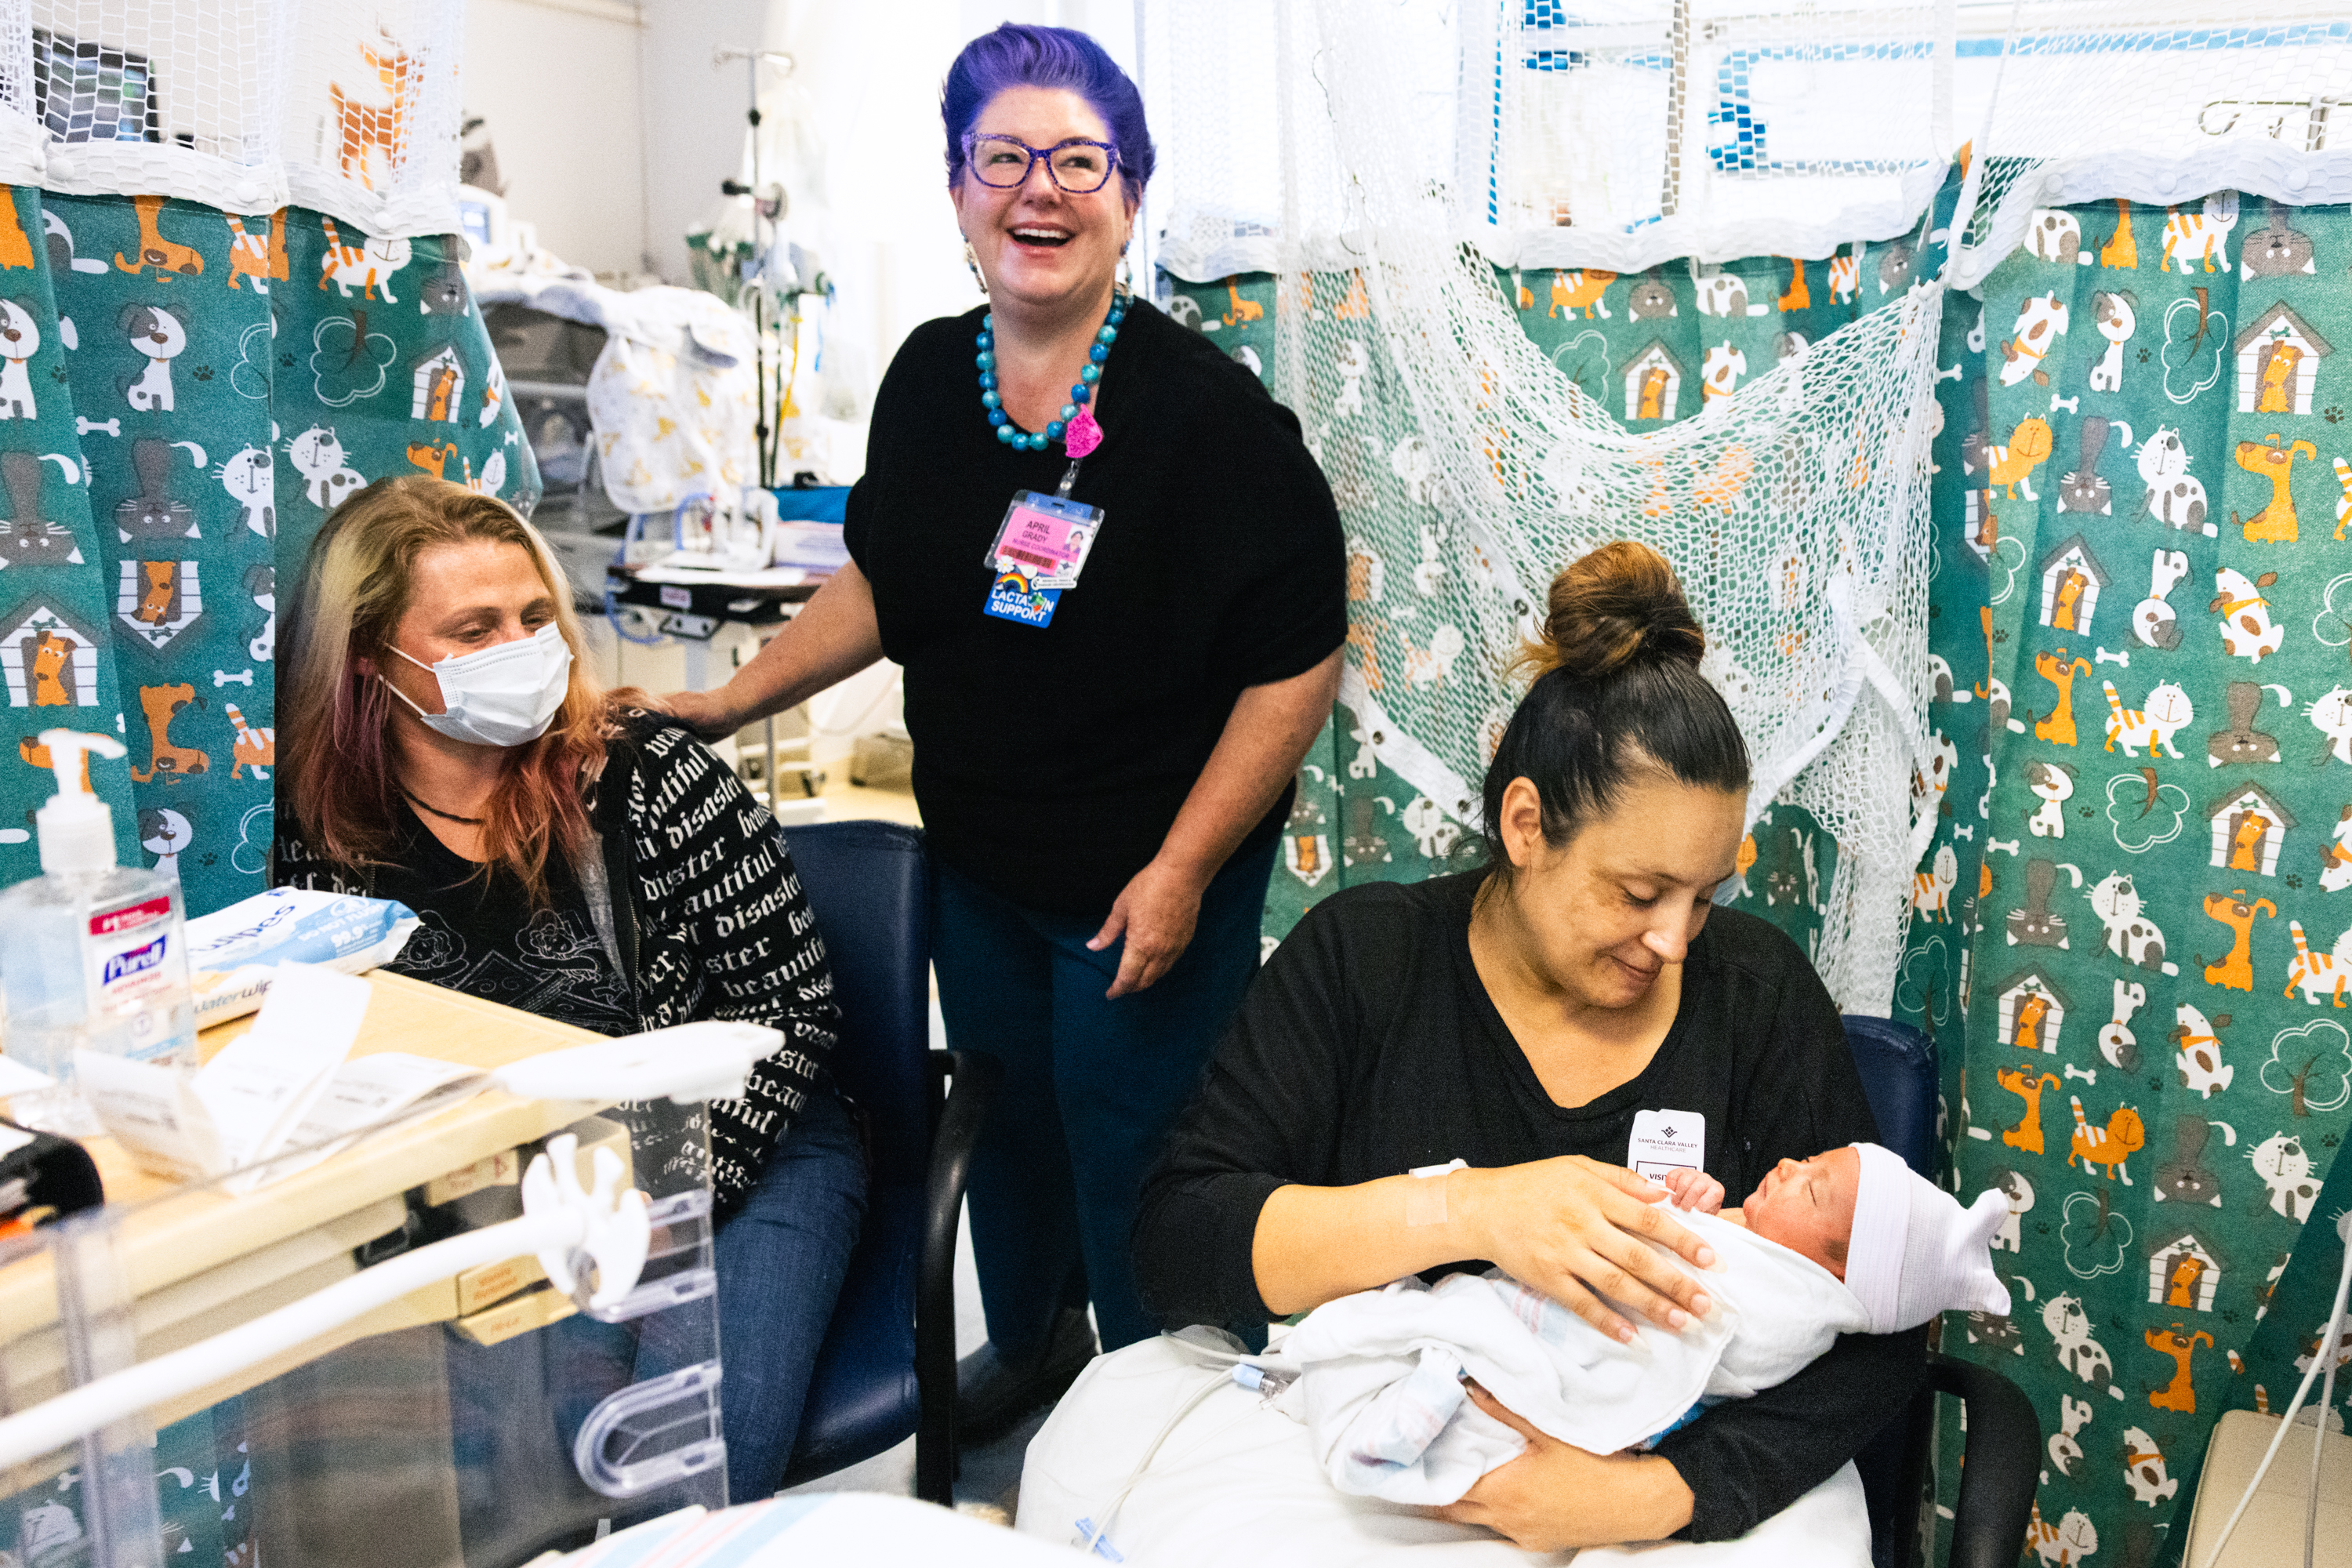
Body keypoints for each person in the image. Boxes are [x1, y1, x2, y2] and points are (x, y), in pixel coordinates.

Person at [662, 23, 1345, 1434]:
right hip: (980, 860)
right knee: (1008, 1124)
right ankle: (1036, 1346)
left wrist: (1182, 870)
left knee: (1137, 1143)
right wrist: (730, 700)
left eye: (1079, 161)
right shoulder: (929, 382)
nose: (1042, 192)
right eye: (1006, 160)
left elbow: (1298, 667)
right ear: (961, 191)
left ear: (1131, 191)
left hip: (1147, 873)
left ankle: (1173, 1410)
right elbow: (888, 580)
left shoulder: (1209, 423)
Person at [1132, 541, 1926, 1552]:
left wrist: (1654, 1495)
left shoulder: (1755, 994)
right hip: (1397, 1447)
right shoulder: (1365, 960)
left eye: (1706, 895)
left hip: (1661, 1483)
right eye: (1639, 894)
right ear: (1525, 824)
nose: (1676, 941)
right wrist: (1468, 1207)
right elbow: (1179, 1244)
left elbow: (1880, 1340)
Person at [274, 476, 862, 1501]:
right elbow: (348, 1040)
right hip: (512, 1176)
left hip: (743, 1141)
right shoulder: (330, 831)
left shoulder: (649, 775)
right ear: (374, 661)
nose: (522, 646)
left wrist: (644, 1194)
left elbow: (789, 1011)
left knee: (684, 1471)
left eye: (535, 616)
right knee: (505, 1470)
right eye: (475, 629)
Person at [1286, 1145, 2011, 1504]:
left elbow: (1704, 1311)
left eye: (1810, 1184)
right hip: (1541, 1311)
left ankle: (1428, 1401)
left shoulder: (1795, 1309)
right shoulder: (1766, 1250)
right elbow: (1676, 1237)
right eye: (1807, 1161)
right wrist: (1688, 1203)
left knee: (1455, 1345)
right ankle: (1425, 1381)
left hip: (1580, 1378)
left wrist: (1682, 1224)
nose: (1787, 1163)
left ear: (1838, 1269)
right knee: (1423, 1320)